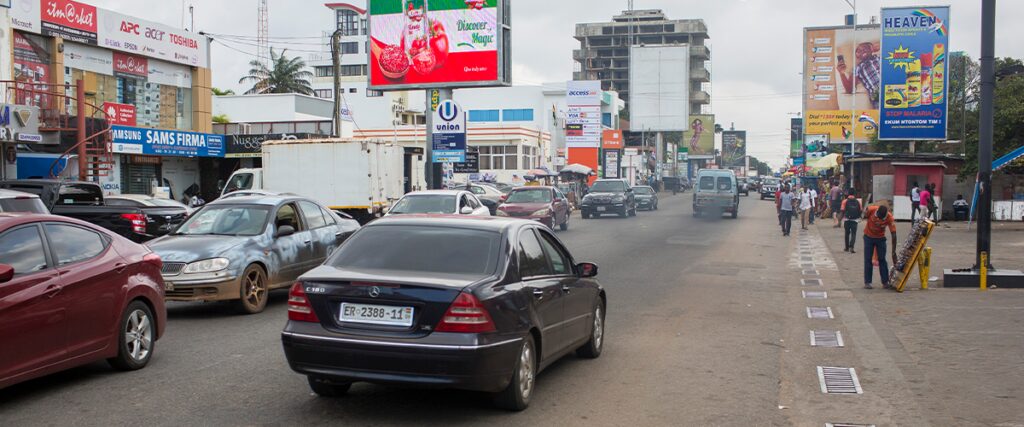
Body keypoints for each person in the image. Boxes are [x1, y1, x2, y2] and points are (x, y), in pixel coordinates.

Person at [837, 41, 882, 109]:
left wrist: (875, 48)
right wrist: (841, 73)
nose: (862, 50)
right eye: (858, 50)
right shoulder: (857, 68)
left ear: (871, 49)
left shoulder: (880, 58)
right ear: (856, 56)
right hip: (878, 96)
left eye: (865, 48)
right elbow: (849, 90)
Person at [863, 204, 897, 289]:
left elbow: (894, 234)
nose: (879, 219)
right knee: (868, 259)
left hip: (880, 239)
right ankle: (868, 282)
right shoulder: (872, 209)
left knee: (882, 259)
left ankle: (885, 282)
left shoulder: (890, 217)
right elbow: (864, 214)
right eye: (878, 217)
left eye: (881, 218)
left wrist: (893, 251)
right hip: (868, 237)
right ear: (877, 212)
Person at [840, 189, 862, 253]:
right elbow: (860, 210)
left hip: (847, 219)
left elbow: (842, 210)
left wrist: (840, 219)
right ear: (854, 194)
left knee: (847, 233)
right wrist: (859, 217)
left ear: (848, 194)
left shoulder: (845, 201)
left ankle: (846, 248)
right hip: (855, 220)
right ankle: (851, 247)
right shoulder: (858, 201)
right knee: (853, 234)